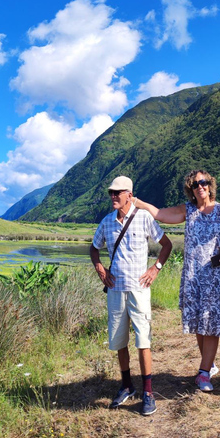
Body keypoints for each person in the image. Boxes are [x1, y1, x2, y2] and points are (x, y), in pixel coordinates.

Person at [132, 170, 220, 393]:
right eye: (195, 184)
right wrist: (138, 202)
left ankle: (203, 373)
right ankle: (208, 366)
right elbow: (160, 214)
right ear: (191, 189)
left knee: (210, 324)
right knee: (200, 325)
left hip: (215, 275)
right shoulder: (187, 210)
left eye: (203, 182)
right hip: (194, 276)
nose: (199, 186)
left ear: (210, 185)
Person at [90, 175, 173, 416]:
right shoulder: (106, 222)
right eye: (111, 193)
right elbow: (94, 248)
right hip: (115, 290)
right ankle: (127, 386)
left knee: (143, 340)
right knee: (119, 341)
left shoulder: (144, 217)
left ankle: (148, 392)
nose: (114, 196)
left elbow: (166, 245)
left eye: (119, 192)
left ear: (129, 194)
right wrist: (99, 268)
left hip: (139, 289)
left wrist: (155, 269)